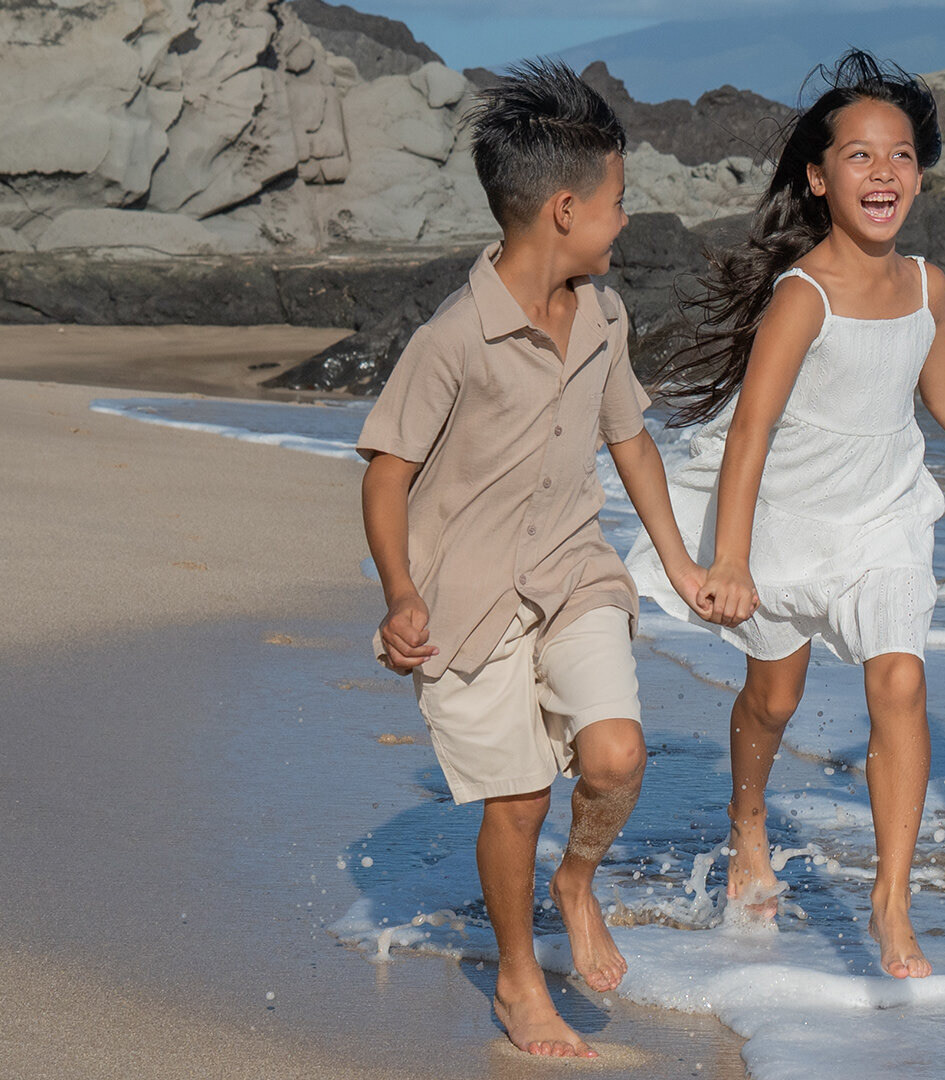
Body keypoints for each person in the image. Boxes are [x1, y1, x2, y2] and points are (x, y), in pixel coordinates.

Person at [626, 50, 945, 979]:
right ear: (818, 177)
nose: (882, 171)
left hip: (884, 511)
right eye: (858, 155)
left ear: (919, 175)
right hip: (785, 517)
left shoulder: (928, 284)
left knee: (901, 683)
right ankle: (748, 818)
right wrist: (729, 559)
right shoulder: (800, 297)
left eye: (899, 157)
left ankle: (891, 902)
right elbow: (750, 434)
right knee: (776, 696)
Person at [357, 59, 710, 1057]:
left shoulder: (603, 314)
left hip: (572, 570)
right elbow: (386, 472)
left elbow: (629, 437)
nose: (624, 223)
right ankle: (518, 976)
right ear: (563, 209)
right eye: (617, 204)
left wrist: (679, 566)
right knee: (514, 800)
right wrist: (397, 596)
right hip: (463, 603)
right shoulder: (455, 337)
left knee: (616, 755)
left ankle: (577, 880)